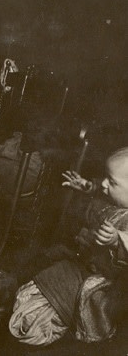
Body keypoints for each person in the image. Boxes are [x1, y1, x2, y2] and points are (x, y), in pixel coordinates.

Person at [9, 147, 128, 345]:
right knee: (45, 264)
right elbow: (100, 188)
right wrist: (86, 186)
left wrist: (117, 240)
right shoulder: (118, 199)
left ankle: (48, 320)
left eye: (112, 181)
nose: (105, 183)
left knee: (61, 291)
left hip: (105, 280)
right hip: (85, 260)